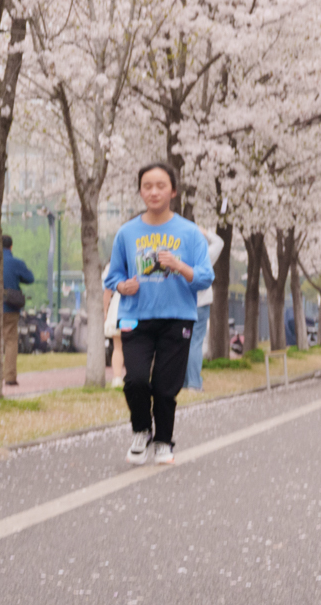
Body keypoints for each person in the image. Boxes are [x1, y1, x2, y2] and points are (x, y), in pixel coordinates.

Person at [103, 162, 215, 466]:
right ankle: (142, 431)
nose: (153, 192)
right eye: (147, 186)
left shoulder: (190, 233)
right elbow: (112, 276)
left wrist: (179, 266)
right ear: (140, 191)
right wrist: (122, 286)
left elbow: (206, 278)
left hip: (177, 316)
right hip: (135, 316)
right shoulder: (127, 233)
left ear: (173, 191)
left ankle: (164, 440)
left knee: (166, 386)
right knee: (136, 380)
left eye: (160, 186)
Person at [184, 227, 225, 392]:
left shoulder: (180, 257)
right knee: (195, 343)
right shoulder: (205, 255)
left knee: (184, 342)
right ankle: (194, 383)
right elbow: (219, 242)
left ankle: (185, 382)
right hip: (201, 306)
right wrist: (204, 231)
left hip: (184, 306)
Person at [0, 236, 35, 387]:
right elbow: (30, 278)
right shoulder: (16, 263)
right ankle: (9, 377)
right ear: (11, 247)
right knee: (11, 341)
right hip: (10, 308)